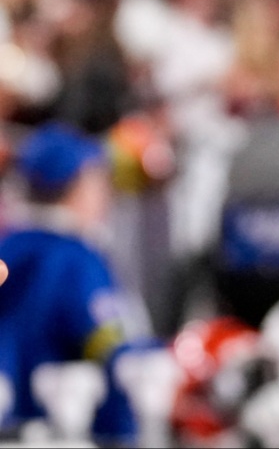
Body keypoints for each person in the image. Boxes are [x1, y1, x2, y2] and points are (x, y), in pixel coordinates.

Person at [0, 123, 138, 443]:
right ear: (73, 186)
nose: (106, 194)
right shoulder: (77, 260)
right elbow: (112, 344)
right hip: (71, 428)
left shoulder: (9, 246)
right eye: (97, 182)